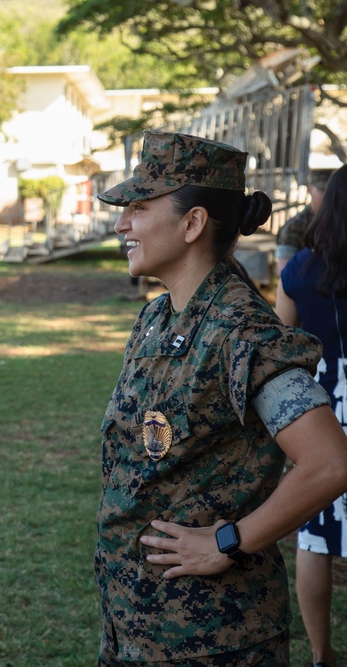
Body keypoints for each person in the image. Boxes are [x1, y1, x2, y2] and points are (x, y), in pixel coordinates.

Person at [95, 131, 347, 664]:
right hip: (139, 627)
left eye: (139, 208)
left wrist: (228, 540)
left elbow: (329, 462)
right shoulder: (158, 317)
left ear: (192, 223)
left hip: (213, 639)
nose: (122, 225)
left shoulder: (243, 331)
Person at [276, 163, 347, 667]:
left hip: (320, 409)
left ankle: (322, 656)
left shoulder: (300, 267)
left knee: (316, 535)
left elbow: (281, 340)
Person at [275, 169, 332, 273]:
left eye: (331, 191)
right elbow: (286, 275)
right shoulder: (294, 227)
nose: (327, 196)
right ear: (309, 190)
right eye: (322, 190)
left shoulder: (338, 222)